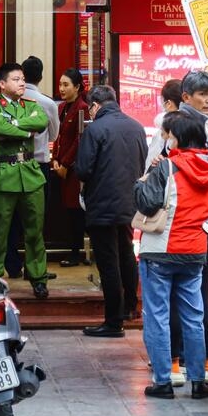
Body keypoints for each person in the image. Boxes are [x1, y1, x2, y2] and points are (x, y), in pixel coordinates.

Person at [134, 111, 208, 400]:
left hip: (161, 251)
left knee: (159, 316)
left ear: (180, 137)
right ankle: (199, 381)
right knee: (193, 316)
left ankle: (163, 380)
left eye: (170, 135)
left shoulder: (167, 167)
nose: (168, 140)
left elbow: (147, 204)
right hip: (196, 250)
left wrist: (142, 181)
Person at [75, 85, 147, 337]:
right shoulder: (136, 127)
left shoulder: (95, 129)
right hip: (130, 202)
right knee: (126, 254)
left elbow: (83, 169)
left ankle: (113, 321)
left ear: (95, 105)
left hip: (102, 204)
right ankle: (130, 308)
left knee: (108, 262)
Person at [0, 63, 49, 297]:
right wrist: (26, 130)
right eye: (16, 79)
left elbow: (41, 122)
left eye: (22, 79)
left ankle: (38, 277)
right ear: (2, 84)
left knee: (35, 231)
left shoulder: (31, 105)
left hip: (31, 175)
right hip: (4, 175)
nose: (21, 83)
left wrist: (14, 126)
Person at [4, 56, 60, 280]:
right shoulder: (47, 103)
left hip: (10, 165)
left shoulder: (6, 101)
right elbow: (54, 134)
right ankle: (34, 268)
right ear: (41, 76)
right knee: (35, 220)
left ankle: (12, 264)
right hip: (38, 166)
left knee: (11, 219)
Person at [53, 68, 90, 268]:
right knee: (68, 211)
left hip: (75, 169)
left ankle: (76, 252)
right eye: (60, 84)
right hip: (62, 166)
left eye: (66, 85)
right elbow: (59, 138)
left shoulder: (82, 107)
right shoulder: (62, 108)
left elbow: (79, 140)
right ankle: (74, 250)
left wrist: (65, 163)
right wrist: (55, 160)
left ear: (77, 87)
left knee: (77, 211)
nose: (62, 88)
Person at [145, 79, 182, 169]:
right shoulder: (193, 125)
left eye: (162, 100)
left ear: (168, 103)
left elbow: (151, 160)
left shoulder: (168, 127)